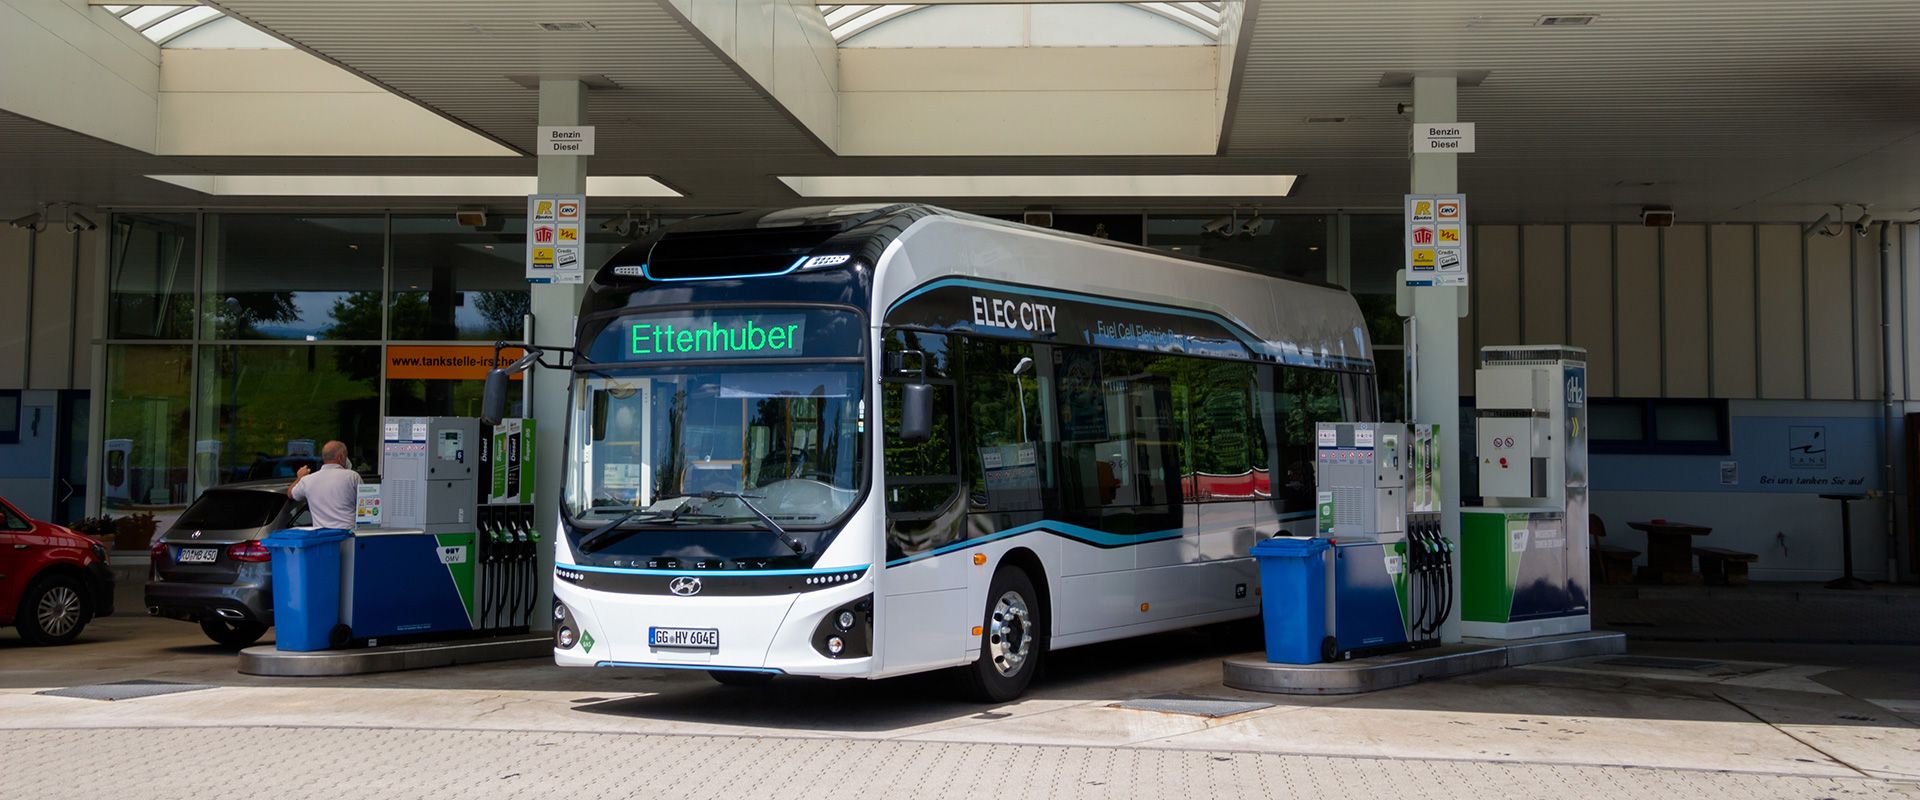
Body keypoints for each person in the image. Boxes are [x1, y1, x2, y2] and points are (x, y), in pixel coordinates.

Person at [287, 440, 361, 530]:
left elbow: (290, 494)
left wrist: (299, 478)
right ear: (340, 457)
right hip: (349, 536)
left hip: (323, 538)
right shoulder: (353, 477)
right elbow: (364, 505)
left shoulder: (307, 480)